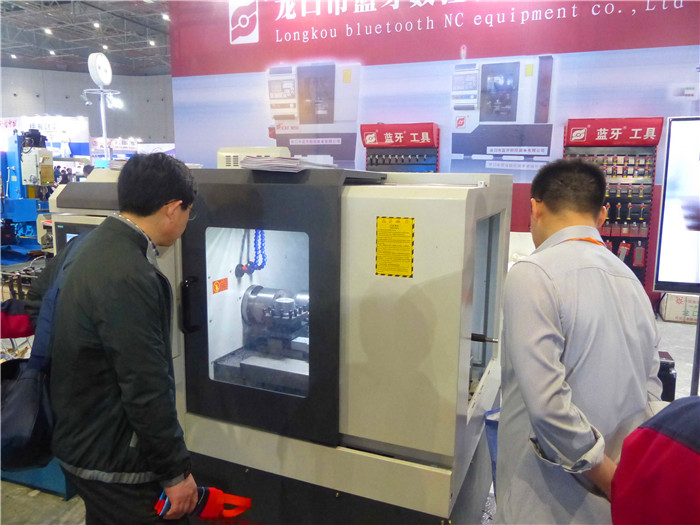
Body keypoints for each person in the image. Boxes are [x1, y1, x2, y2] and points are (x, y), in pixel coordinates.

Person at [26, 153, 198, 524]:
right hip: (115, 459)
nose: (187, 221)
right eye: (189, 212)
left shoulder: (83, 245)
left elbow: (36, 305)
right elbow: (146, 386)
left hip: (75, 436)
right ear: (173, 208)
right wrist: (175, 472)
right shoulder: (132, 275)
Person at [495, 159, 662, 524]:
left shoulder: (533, 274)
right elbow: (650, 387)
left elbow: (547, 406)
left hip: (545, 500)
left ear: (535, 208)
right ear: (602, 215)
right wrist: (624, 479)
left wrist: (607, 476)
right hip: (613, 501)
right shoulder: (631, 282)